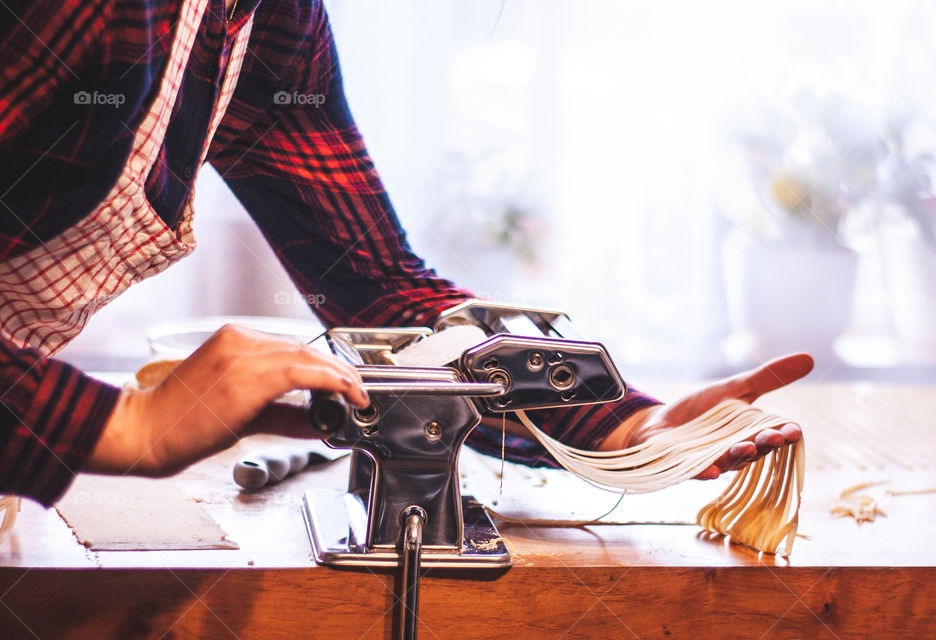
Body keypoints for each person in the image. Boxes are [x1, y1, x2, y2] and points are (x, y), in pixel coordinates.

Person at [0, 0, 810, 509]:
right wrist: (125, 424)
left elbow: (378, 287)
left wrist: (624, 425)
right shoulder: (90, 13)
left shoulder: (263, 23)